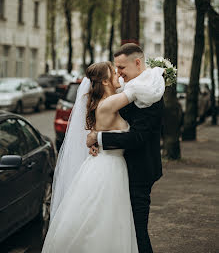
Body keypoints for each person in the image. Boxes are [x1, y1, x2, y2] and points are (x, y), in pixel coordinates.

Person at [42, 59, 164, 252]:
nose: (119, 75)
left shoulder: (108, 101)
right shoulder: (109, 104)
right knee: (103, 220)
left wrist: (96, 139)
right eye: (115, 73)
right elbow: (136, 91)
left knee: (106, 220)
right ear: (105, 82)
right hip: (109, 168)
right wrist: (158, 72)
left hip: (109, 163)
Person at [87, 43, 165, 253]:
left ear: (137, 62)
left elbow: (138, 137)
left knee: (137, 232)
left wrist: (99, 138)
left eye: (121, 68)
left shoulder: (151, 93)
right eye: (116, 69)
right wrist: (98, 143)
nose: (119, 74)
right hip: (118, 169)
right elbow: (109, 116)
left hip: (140, 170)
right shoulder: (131, 87)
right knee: (120, 230)